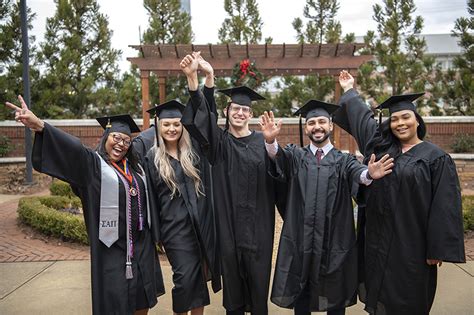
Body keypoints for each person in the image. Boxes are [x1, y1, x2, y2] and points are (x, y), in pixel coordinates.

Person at [6, 96, 164, 315]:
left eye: (126, 141)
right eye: (116, 137)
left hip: (141, 247)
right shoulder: (94, 166)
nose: (121, 144)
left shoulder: (136, 167)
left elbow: (148, 137)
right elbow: (73, 149)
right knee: (115, 303)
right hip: (112, 251)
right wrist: (40, 125)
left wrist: (165, 122)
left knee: (142, 299)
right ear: (106, 136)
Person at [332, 71, 466, 315]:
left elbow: (444, 206)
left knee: (409, 298)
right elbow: (363, 121)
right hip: (377, 242)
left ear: (417, 121)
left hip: (412, 245)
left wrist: (436, 249)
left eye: (406, 117)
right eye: (394, 119)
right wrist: (350, 90)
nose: (400, 123)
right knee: (379, 296)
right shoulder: (383, 149)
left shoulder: (436, 158)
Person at [259, 101, 393, 315]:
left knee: (335, 295)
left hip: (334, 242)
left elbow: (358, 173)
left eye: (322, 121)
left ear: (331, 125)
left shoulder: (343, 160)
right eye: (312, 122)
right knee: (301, 294)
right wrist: (270, 140)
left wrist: (369, 174)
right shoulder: (296, 156)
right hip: (302, 240)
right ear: (306, 128)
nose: (317, 126)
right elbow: (278, 158)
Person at [180, 52, 284, 315]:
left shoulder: (264, 142)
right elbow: (203, 119)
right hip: (229, 230)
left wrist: (272, 144)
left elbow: (280, 173)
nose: (240, 112)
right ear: (227, 111)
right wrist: (204, 79)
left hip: (259, 230)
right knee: (234, 295)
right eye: (235, 108)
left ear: (251, 114)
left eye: (245, 109)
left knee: (259, 290)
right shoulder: (219, 143)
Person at [144, 100, 221, 315]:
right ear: (159, 126)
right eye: (167, 124)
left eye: (177, 124)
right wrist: (157, 234)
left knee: (198, 281)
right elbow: (150, 197)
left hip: (200, 228)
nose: (172, 129)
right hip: (174, 231)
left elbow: (206, 123)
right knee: (184, 280)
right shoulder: (152, 158)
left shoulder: (193, 153)